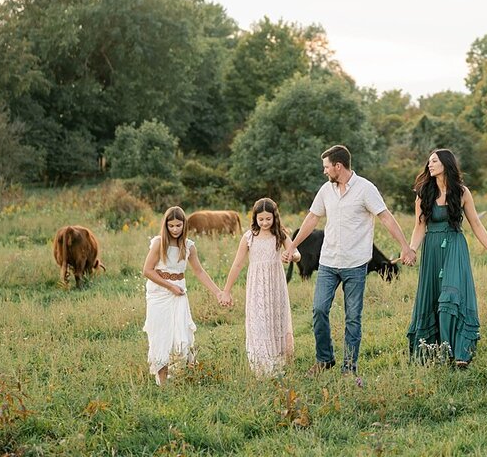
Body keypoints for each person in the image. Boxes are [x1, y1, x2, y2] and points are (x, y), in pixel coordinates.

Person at [285, 145, 416, 378]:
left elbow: (385, 217)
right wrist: (293, 246)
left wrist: (405, 247)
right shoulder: (326, 190)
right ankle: (324, 359)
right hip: (327, 262)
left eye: (326, 167)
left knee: (353, 318)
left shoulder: (366, 189)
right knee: (318, 309)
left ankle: (349, 368)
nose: (324, 171)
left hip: (356, 265)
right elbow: (312, 218)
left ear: (338, 166)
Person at [406, 148, 487, 368]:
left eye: (434, 161)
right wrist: (412, 249)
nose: (430, 164)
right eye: (429, 162)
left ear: (446, 164)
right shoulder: (423, 193)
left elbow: (476, 224)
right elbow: (419, 227)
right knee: (433, 296)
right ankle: (433, 351)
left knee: (450, 297)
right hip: (432, 249)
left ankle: (459, 352)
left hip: (454, 246)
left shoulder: (462, 192)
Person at [142, 206, 231, 385]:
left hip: (179, 291)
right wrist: (169, 286)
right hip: (159, 292)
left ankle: (186, 373)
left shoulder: (188, 246)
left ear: (184, 225)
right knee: (161, 333)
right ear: (166, 226)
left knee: (181, 332)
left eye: (178, 225)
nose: (175, 229)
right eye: (171, 226)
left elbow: (199, 271)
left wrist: (218, 292)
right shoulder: (159, 243)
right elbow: (147, 270)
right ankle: (162, 381)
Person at [220, 198, 300, 377]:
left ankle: (278, 364)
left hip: (276, 285)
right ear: (255, 218)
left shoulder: (280, 234)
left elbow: (296, 253)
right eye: (261, 219)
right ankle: (262, 366)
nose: (264, 223)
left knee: (276, 321)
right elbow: (237, 265)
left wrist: (291, 256)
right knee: (259, 322)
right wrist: (226, 290)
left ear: (275, 217)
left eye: (268, 219)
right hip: (257, 286)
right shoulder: (249, 237)